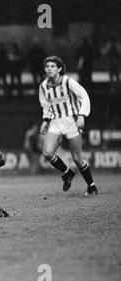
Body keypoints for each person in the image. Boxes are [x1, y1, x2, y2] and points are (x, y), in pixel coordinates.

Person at [39, 56, 98, 195]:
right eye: (47, 67)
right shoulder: (43, 86)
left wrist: (82, 115)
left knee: (77, 158)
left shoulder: (68, 82)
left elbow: (84, 96)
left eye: (53, 66)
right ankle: (67, 173)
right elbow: (46, 105)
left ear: (59, 68)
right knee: (47, 152)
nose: (49, 69)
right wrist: (45, 121)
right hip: (55, 121)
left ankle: (91, 186)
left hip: (71, 121)